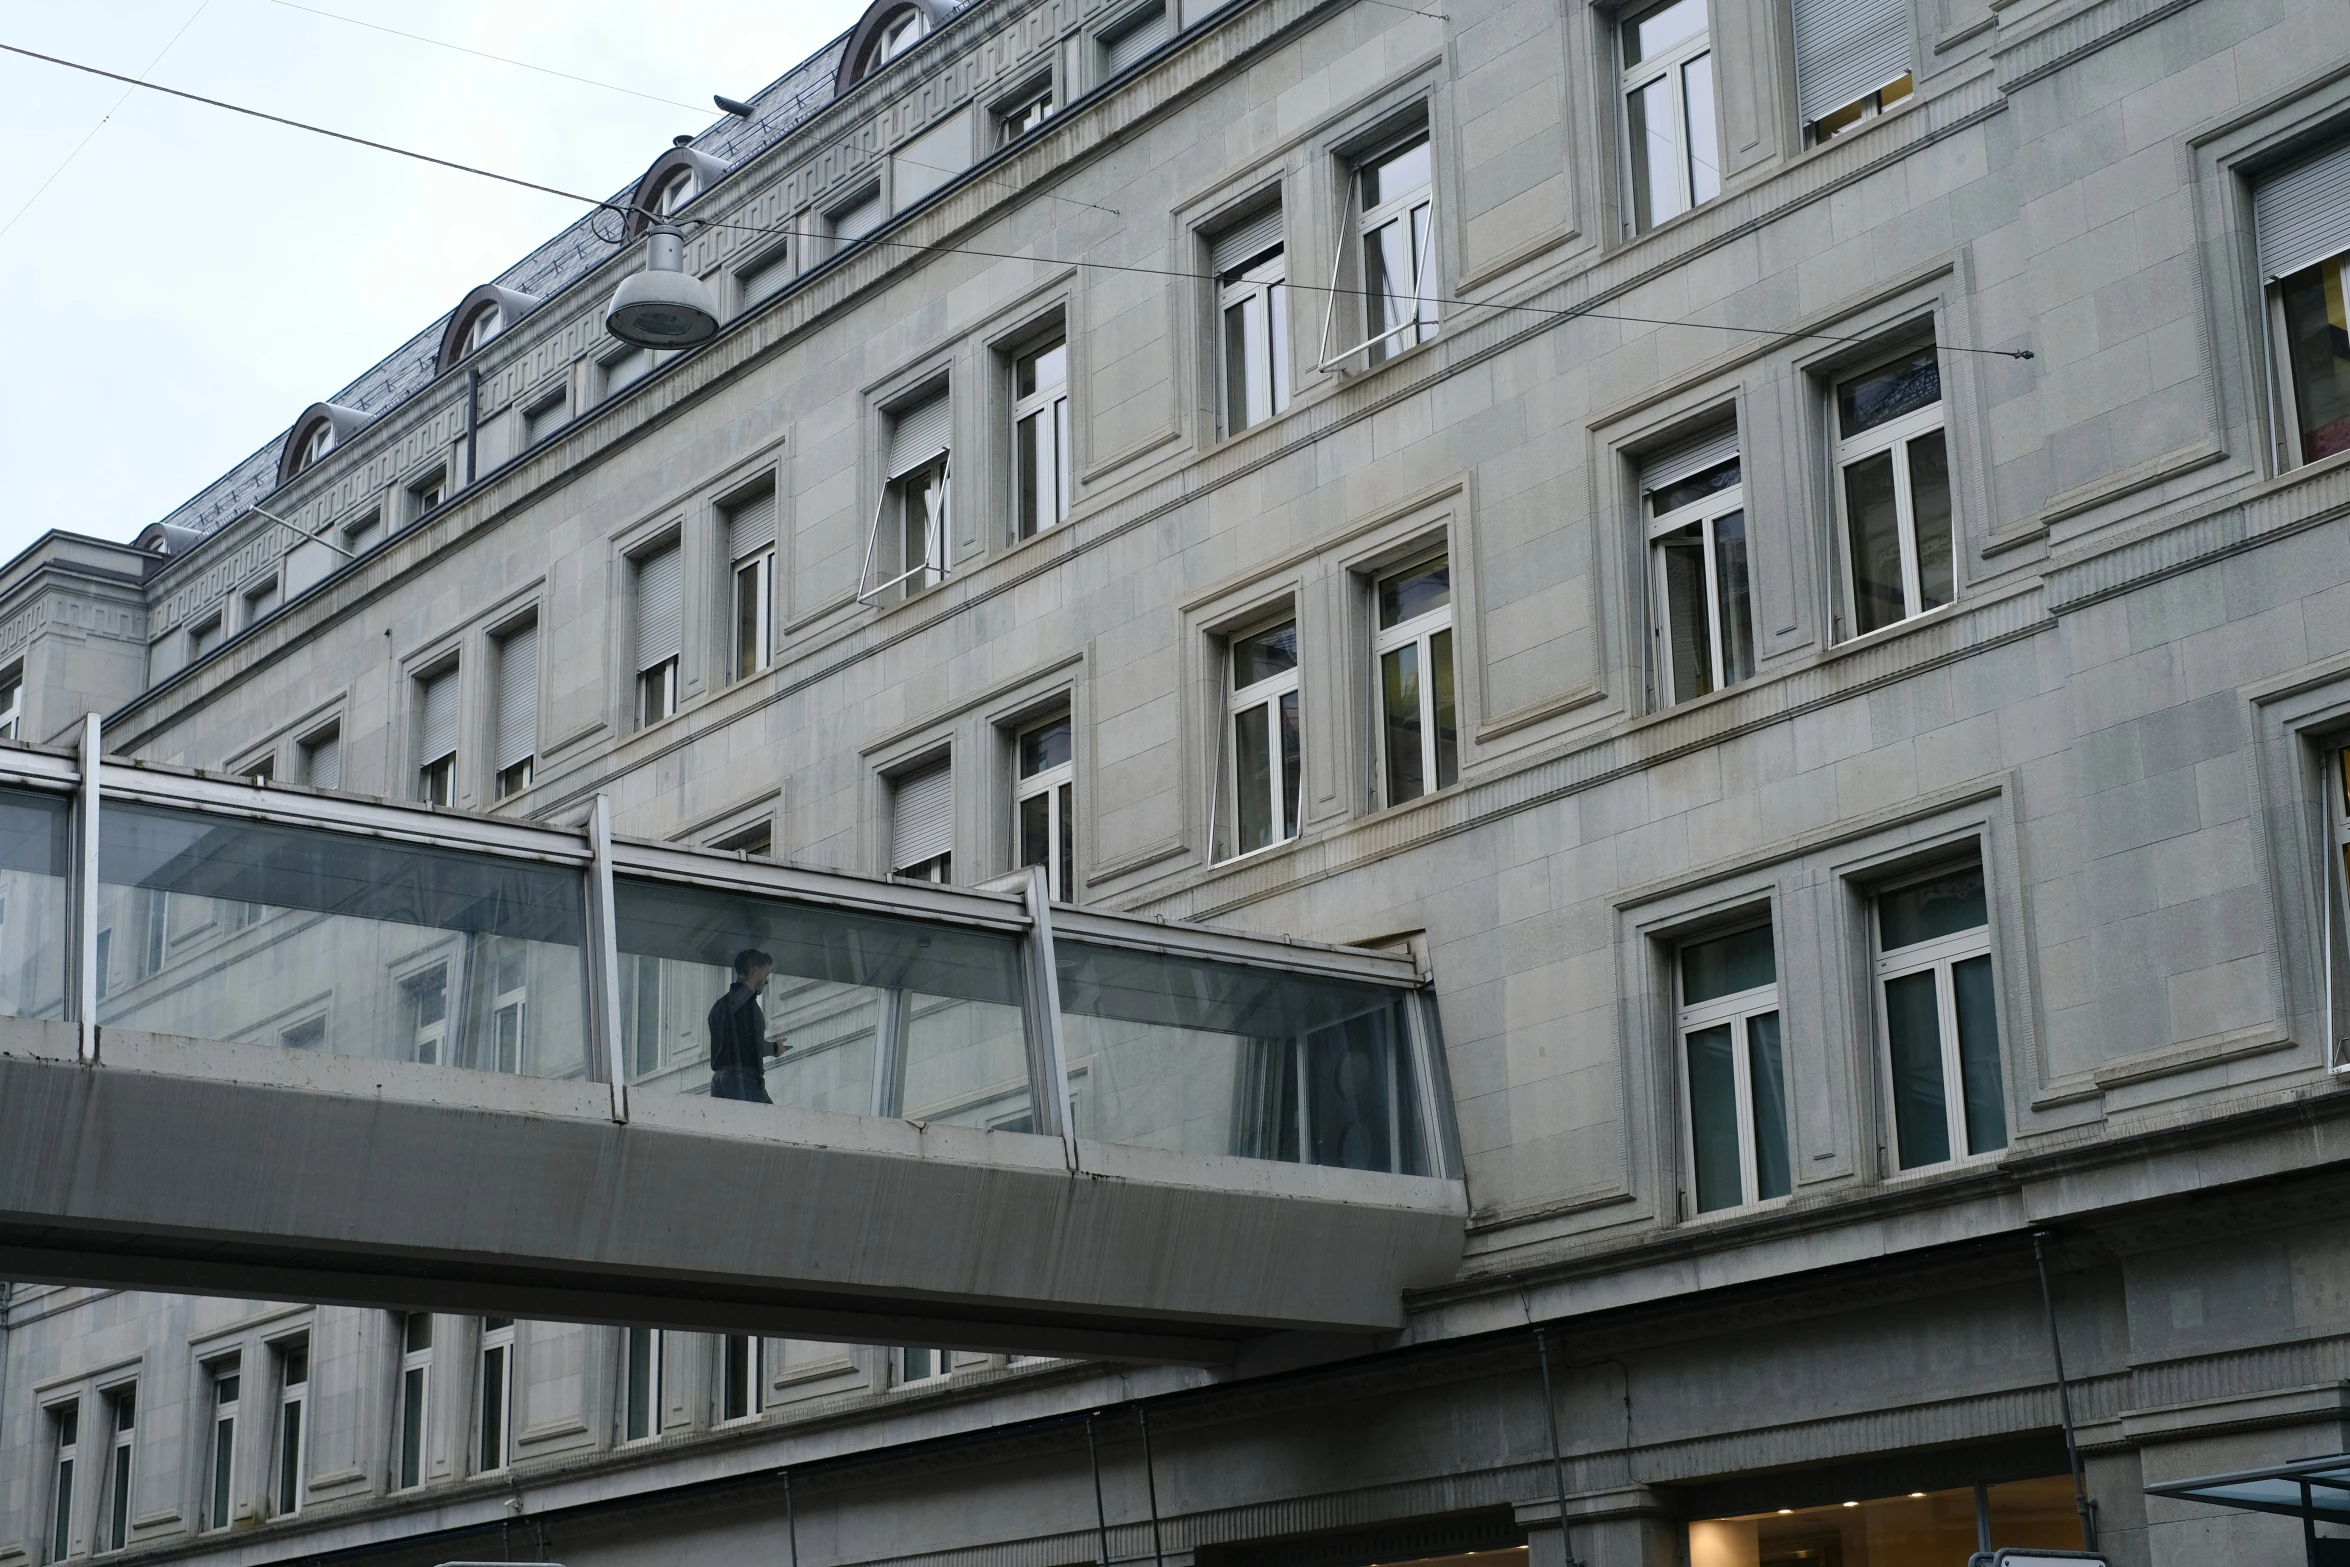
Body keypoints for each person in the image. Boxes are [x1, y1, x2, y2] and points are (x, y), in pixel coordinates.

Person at [708, 948, 779, 1102]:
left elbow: (743, 1042)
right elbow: (749, 1044)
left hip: (723, 1078)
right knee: (767, 1121)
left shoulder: (720, 1006)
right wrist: (774, 1048)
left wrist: (773, 1048)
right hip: (742, 1078)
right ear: (755, 972)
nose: (766, 982)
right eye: (765, 975)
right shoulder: (743, 1005)